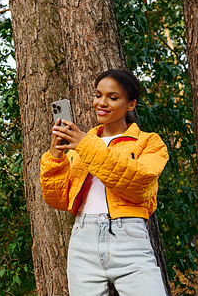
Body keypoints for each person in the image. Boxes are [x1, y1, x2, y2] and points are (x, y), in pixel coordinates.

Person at [39, 69, 169, 296]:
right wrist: (55, 154)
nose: (102, 102)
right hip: (83, 240)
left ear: (131, 105)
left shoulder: (149, 142)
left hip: (129, 238)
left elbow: (139, 183)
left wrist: (84, 145)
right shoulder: (80, 145)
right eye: (98, 95)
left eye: (113, 97)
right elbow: (57, 199)